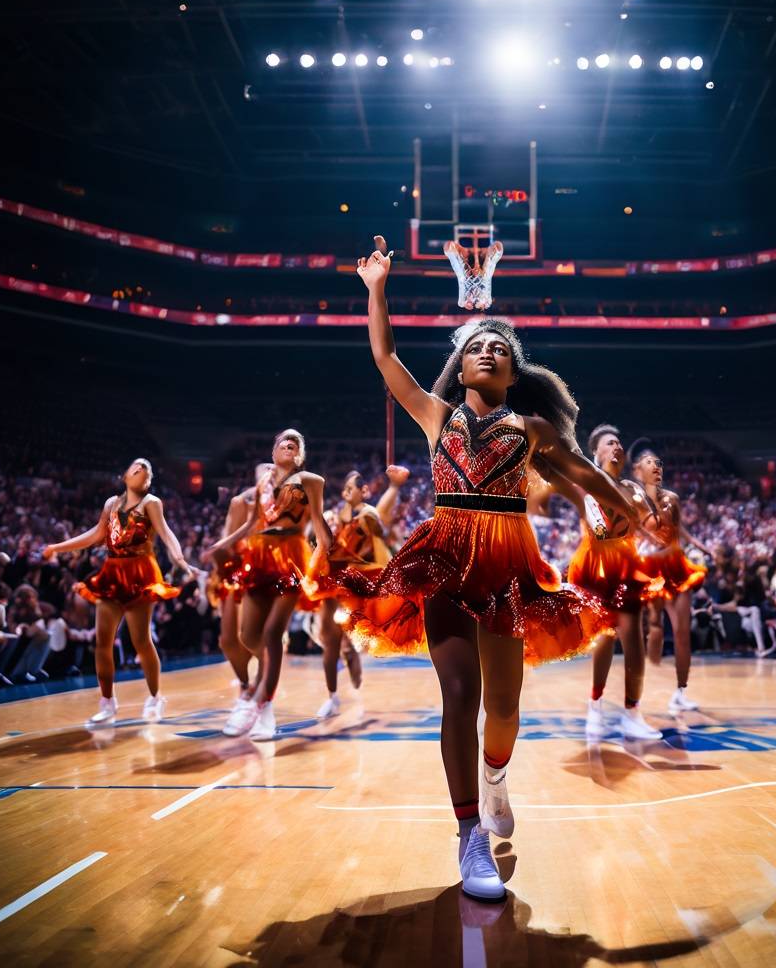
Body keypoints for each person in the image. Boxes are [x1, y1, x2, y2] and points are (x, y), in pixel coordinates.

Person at [344, 236, 640, 902]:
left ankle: (497, 777)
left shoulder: (532, 429)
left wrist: (627, 510)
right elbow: (386, 357)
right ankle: (468, 832)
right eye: (478, 346)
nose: (487, 351)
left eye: (500, 350)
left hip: (506, 560)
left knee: (504, 707)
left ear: (511, 375)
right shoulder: (435, 414)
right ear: (461, 365)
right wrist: (377, 291)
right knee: (459, 696)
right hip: (446, 557)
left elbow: (584, 473)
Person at [42, 459, 199, 725]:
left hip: (141, 572)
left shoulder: (152, 503)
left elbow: (166, 532)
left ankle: (155, 696)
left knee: (141, 641)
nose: (144, 472)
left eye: (148, 470)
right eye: (138, 468)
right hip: (112, 572)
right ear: (126, 475)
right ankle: (107, 702)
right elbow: (95, 534)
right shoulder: (110, 504)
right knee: (103, 641)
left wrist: (179, 558)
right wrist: (58, 547)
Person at [206, 431, 332, 741]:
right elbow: (251, 524)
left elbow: (317, 522)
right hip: (259, 555)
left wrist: (322, 559)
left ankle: (265, 708)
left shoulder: (311, 480)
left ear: (299, 454)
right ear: (273, 450)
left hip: (291, 555)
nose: (289, 446)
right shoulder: (263, 484)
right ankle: (260, 683)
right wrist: (221, 544)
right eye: (283, 442)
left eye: (295, 444)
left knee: (272, 633)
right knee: (248, 635)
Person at [562, 425, 664, 741]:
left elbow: (654, 526)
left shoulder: (633, 488)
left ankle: (632, 713)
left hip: (626, 563)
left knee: (634, 639)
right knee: (604, 637)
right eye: (610, 442)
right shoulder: (587, 479)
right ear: (597, 452)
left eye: (620, 441)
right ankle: (595, 705)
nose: (617, 446)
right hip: (594, 563)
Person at [315, 467, 406, 718]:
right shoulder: (333, 515)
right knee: (328, 638)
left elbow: (382, 518)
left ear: (364, 491)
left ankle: (350, 649)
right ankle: (332, 696)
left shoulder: (368, 515)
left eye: (351, 487)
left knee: (356, 629)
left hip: (359, 581)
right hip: (333, 580)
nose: (345, 490)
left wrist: (394, 487)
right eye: (344, 487)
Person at [628, 441, 709, 714]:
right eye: (651, 462)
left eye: (659, 463)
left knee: (683, 632)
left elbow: (679, 529)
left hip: (675, 567)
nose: (657, 466)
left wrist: (698, 545)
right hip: (648, 569)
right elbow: (633, 533)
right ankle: (635, 695)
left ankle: (681, 691)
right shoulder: (632, 500)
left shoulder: (672, 498)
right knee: (648, 628)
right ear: (638, 470)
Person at [208, 462, 272, 736]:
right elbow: (227, 538)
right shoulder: (241, 502)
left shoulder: (290, 499)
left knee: (255, 639)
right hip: (238, 569)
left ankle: (260, 697)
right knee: (228, 641)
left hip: (270, 571)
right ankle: (246, 686)